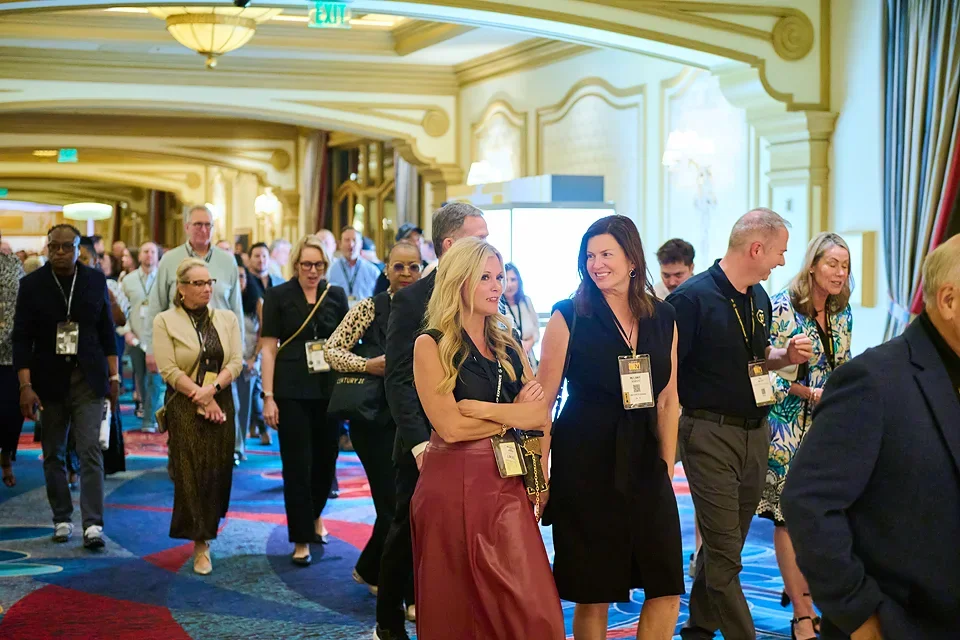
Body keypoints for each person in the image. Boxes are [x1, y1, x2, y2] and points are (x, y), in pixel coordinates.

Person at [782, 235, 960, 640]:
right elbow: (808, 502)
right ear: (949, 301)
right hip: (904, 623)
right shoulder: (873, 380)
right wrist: (861, 617)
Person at [666, 208, 813, 640]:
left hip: (755, 432)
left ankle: (699, 627)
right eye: (780, 253)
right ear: (756, 248)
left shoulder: (758, 297)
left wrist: (784, 356)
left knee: (722, 547)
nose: (782, 263)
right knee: (727, 555)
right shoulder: (691, 300)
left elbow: (755, 358)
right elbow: (668, 374)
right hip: (708, 433)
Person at [536, 215, 683, 639]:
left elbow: (669, 398)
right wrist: (540, 474)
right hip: (585, 460)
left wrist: (666, 465)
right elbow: (543, 402)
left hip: (644, 459)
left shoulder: (664, 316)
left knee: (666, 581)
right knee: (593, 590)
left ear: (632, 259)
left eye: (606, 254)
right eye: (590, 256)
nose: (596, 264)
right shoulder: (569, 315)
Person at [410, 237, 563, 639]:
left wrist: (490, 412)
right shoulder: (432, 343)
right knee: (456, 608)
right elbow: (451, 428)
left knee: (531, 604)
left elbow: (539, 415)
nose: (498, 286)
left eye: (499, 277)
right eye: (485, 278)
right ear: (459, 281)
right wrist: (515, 416)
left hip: (508, 480)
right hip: (451, 482)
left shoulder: (507, 341)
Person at [374, 203, 489, 640]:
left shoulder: (485, 289)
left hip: (476, 434)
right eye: (479, 236)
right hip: (424, 442)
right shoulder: (412, 299)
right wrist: (422, 443)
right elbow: (400, 380)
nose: (487, 245)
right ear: (450, 243)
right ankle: (387, 621)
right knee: (407, 529)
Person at [757, 232, 854, 640]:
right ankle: (801, 612)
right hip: (785, 426)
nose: (839, 272)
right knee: (787, 517)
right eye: (832, 263)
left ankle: (801, 586)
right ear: (812, 264)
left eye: (845, 266)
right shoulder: (781, 307)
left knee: (825, 518)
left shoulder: (842, 313)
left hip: (827, 426)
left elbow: (844, 364)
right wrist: (806, 391)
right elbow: (763, 366)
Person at [13, 224, 120, 550]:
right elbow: (21, 338)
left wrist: (114, 378)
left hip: (88, 377)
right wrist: (25, 386)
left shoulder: (94, 279)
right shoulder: (32, 285)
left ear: (78, 249)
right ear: (47, 248)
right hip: (48, 381)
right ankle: (61, 517)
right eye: (54, 247)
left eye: (67, 247)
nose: (60, 252)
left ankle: (92, 525)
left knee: (89, 450)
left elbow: (107, 331)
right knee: (53, 453)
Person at [325, 241, 422, 596]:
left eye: (413, 267)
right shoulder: (369, 308)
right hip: (373, 421)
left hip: (412, 419)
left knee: (407, 504)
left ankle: (372, 568)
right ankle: (393, 582)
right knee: (392, 504)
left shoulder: (431, 310)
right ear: (386, 270)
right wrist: (368, 365)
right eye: (399, 267)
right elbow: (331, 351)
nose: (407, 274)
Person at [260, 234, 349, 565]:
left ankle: (315, 515)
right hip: (290, 390)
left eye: (319, 265)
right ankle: (301, 537)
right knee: (296, 466)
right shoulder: (278, 295)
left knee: (326, 463)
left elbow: (346, 342)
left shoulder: (336, 295)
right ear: (295, 264)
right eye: (307, 264)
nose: (313, 271)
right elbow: (268, 349)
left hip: (329, 391)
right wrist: (268, 397)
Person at [153, 258, 242, 575]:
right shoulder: (165, 321)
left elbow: (235, 361)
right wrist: (200, 397)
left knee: (217, 471)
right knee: (191, 473)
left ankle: (208, 526)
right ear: (181, 288)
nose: (206, 289)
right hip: (183, 405)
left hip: (221, 400)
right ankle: (200, 544)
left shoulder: (227, 318)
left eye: (209, 283)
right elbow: (168, 369)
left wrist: (212, 391)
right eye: (199, 284)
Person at [142, 205, 245, 463]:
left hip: (219, 350)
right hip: (182, 349)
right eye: (198, 224)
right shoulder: (169, 259)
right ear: (187, 227)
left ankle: (227, 452)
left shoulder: (227, 260)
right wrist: (150, 349)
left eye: (208, 225)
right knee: (184, 409)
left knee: (222, 404)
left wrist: (240, 349)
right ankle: (182, 459)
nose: (203, 229)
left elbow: (236, 309)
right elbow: (156, 305)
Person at [121, 242, 164, 433]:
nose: (149, 255)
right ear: (139, 256)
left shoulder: (164, 280)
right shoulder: (128, 281)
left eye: (153, 252)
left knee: (154, 378)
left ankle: (149, 419)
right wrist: (127, 331)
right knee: (140, 376)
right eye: (145, 251)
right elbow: (122, 310)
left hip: (158, 337)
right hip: (136, 336)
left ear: (158, 256)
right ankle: (149, 410)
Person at [0, 230, 26, 487]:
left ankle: (6, 456)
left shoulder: (12, 264)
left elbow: (20, 303)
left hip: (9, 353)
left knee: (10, 412)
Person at [236, 259, 269, 446]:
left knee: (252, 397)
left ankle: (260, 431)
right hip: (232, 358)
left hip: (252, 356)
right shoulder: (226, 301)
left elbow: (264, 333)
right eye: (236, 276)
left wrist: (254, 358)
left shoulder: (257, 302)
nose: (239, 280)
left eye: (242, 276)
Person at [328, 227, 381, 306]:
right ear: (340, 244)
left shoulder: (373, 271)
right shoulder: (330, 270)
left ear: (361, 244)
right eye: (347, 240)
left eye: (354, 240)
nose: (351, 244)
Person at [503, 263, 540, 371]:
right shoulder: (497, 307)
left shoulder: (526, 301)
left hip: (531, 363)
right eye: (506, 280)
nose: (509, 284)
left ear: (519, 281)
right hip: (509, 364)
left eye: (513, 279)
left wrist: (528, 344)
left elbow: (536, 330)